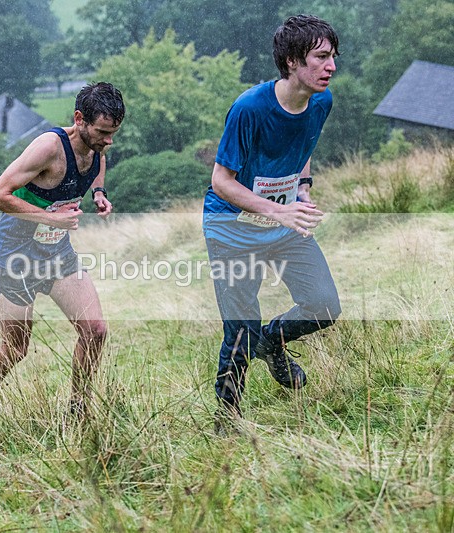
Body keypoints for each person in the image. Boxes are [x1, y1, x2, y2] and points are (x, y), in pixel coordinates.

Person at [202, 15, 342, 428]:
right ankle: (227, 420)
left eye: (333, 56)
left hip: (283, 222)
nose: (331, 66)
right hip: (231, 227)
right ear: (293, 61)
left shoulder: (321, 100)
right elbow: (221, 181)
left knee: (324, 305)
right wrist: (278, 209)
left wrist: (302, 188)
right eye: (321, 57)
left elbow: (304, 145)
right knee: (240, 330)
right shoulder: (250, 109)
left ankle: (274, 339)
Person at [0, 82, 125, 428]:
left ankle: (78, 408)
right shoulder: (48, 147)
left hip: (56, 252)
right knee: (15, 350)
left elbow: (98, 165)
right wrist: (51, 217)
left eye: (113, 133)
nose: (108, 141)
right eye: (103, 132)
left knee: (95, 330)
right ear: (79, 119)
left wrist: (99, 194)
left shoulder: (97, 147)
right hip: (16, 252)